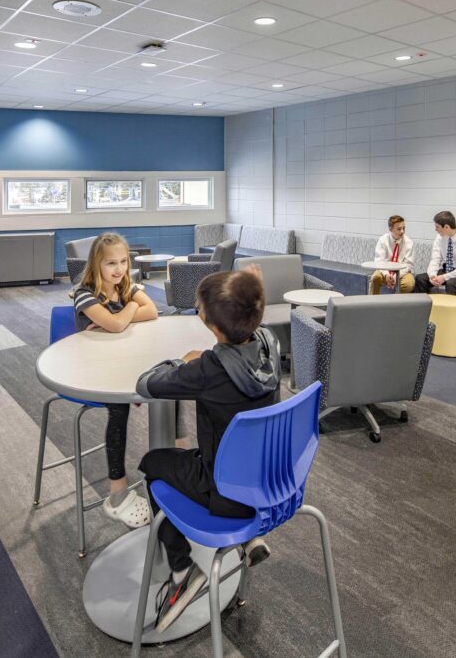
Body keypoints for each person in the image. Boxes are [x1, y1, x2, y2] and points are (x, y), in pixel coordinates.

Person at [135, 267, 281, 633]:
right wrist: (251, 284)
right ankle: (249, 537)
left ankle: (182, 568)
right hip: (272, 485)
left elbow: (147, 385)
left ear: (214, 327)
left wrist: (184, 362)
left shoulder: (208, 369)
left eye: (200, 311)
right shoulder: (270, 345)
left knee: (152, 463)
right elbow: (254, 322)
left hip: (224, 493)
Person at [72, 232, 160, 528]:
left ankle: (182, 465)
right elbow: (119, 322)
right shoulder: (85, 293)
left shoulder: (125, 286)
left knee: (172, 385)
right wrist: (129, 310)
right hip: (95, 370)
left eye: (123, 261)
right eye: (111, 263)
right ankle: (117, 492)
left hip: (125, 363)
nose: (119, 269)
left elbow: (153, 311)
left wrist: (124, 314)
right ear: (96, 264)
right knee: (119, 409)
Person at [413, 211, 456, 295]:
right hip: (446, 269)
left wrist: (444, 277)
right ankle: (423, 307)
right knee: (420, 278)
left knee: (451, 283)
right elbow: (435, 259)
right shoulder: (440, 237)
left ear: (446, 227)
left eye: (437, 227)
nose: (435, 229)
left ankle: (452, 308)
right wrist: (432, 276)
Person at [369, 215, 415, 295]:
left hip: (402, 272)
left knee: (408, 284)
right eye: (399, 229)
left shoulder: (409, 242)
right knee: (375, 278)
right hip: (384, 270)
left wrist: (395, 277)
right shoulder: (383, 240)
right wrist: (386, 275)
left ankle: (396, 304)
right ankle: (372, 304)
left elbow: (408, 265)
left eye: (404, 228)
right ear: (390, 229)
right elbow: (379, 261)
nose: (402, 231)